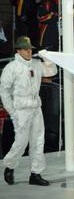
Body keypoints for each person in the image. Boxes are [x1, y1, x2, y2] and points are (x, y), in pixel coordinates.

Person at [0, 36, 57, 186]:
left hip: (35, 108)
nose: (29, 52)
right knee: (21, 142)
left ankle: (35, 173)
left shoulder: (37, 64)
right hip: (21, 110)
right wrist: (12, 111)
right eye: (26, 49)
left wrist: (47, 57)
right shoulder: (11, 68)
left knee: (38, 141)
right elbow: (4, 91)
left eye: (30, 49)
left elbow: (52, 71)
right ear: (18, 50)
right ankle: (10, 166)